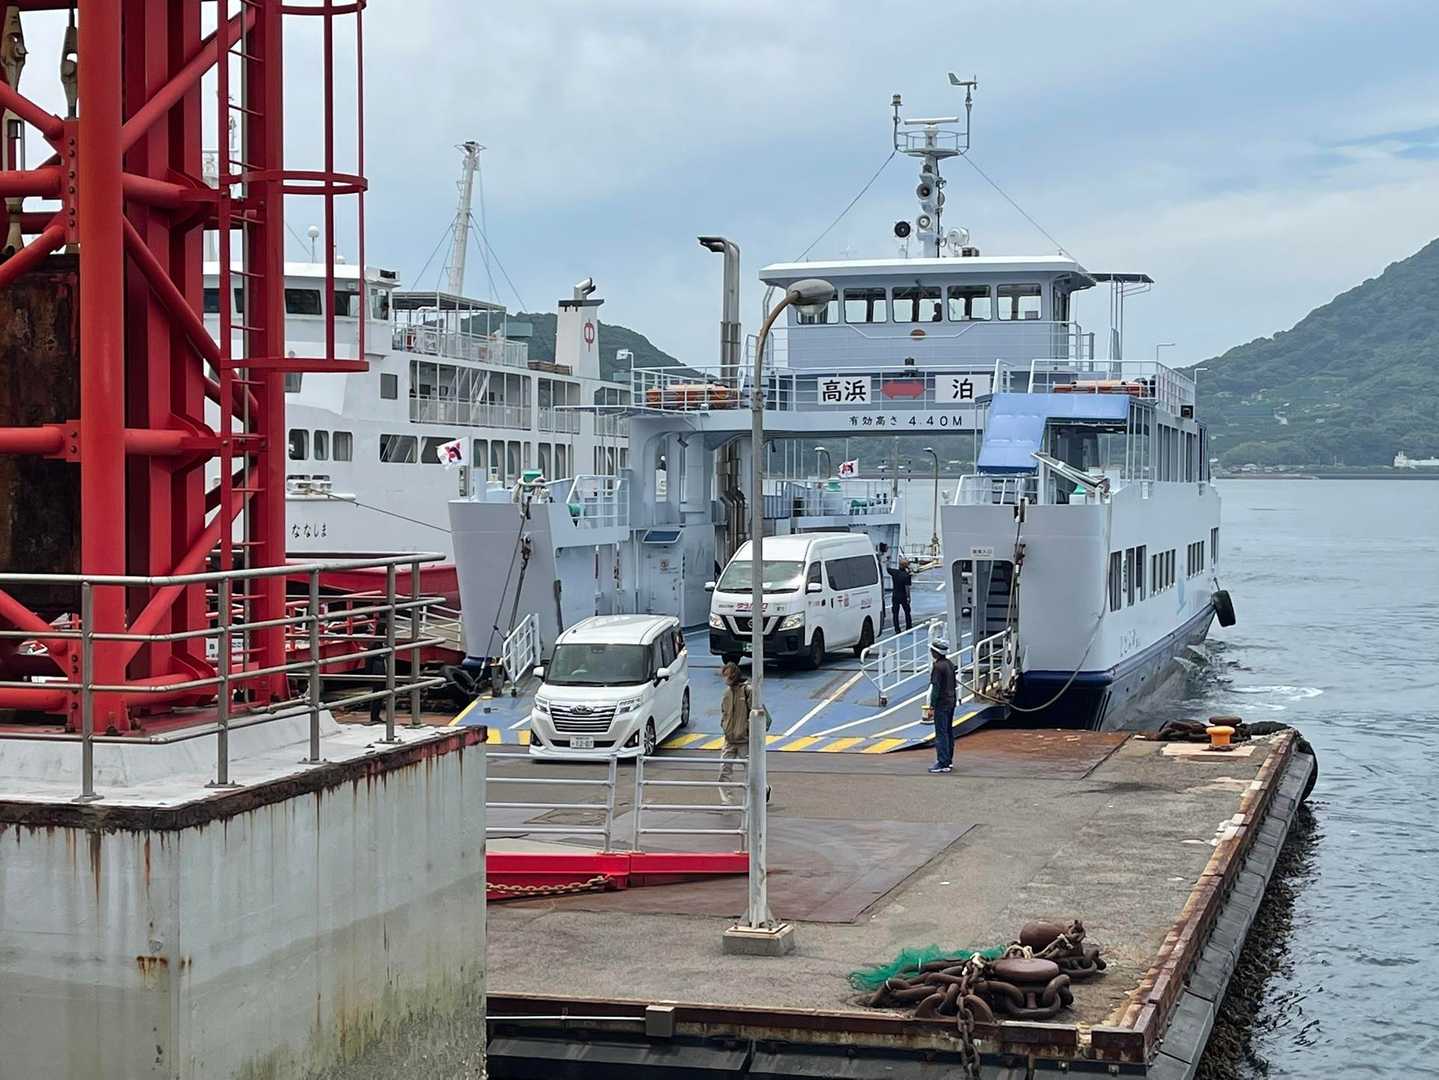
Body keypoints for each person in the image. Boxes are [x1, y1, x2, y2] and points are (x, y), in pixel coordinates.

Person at [718, 662, 769, 804]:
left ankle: (759, 793)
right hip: (729, 739)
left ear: (734, 675)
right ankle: (727, 801)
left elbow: (756, 712)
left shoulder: (748, 691)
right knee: (724, 770)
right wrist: (724, 726)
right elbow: (724, 712)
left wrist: (747, 731)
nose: (725, 679)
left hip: (745, 740)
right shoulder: (727, 693)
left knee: (751, 772)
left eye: (727, 675)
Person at [926, 639, 956, 774]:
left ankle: (942, 762)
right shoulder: (949, 664)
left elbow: (935, 688)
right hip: (951, 701)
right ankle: (948, 760)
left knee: (941, 733)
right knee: (948, 732)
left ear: (936, 652)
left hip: (942, 704)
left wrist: (931, 707)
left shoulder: (938, 667)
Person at [889, 558, 913, 633]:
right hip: (904, 596)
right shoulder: (906, 575)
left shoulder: (894, 572)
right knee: (907, 612)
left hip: (895, 595)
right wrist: (908, 597)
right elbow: (907, 587)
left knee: (895, 613)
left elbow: (887, 569)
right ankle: (909, 627)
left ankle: (897, 629)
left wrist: (887, 560)